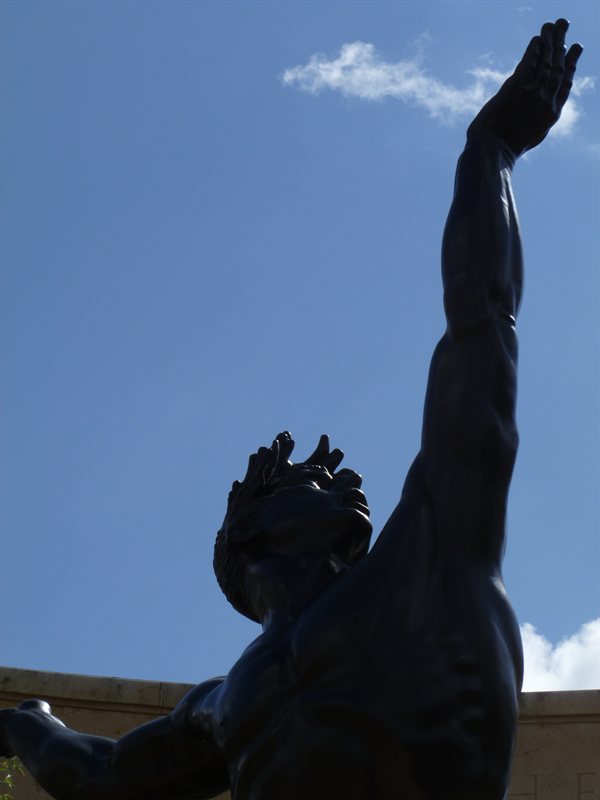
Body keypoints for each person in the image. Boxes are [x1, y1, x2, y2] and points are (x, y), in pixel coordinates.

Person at [0, 19, 583, 800]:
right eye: (312, 478)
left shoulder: (430, 556)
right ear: (252, 531)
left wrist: (491, 151)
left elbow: (482, 330)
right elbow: (101, 773)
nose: (346, 480)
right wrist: (25, 719)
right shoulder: (221, 702)